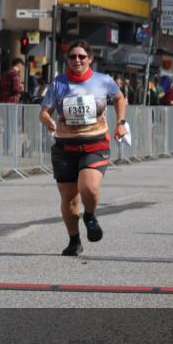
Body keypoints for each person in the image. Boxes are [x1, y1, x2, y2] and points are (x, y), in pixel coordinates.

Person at [39, 40, 127, 257]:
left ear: (90, 59)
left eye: (82, 56)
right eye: (72, 57)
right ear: (67, 59)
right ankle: (74, 241)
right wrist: (47, 120)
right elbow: (44, 111)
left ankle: (89, 215)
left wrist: (120, 122)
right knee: (69, 199)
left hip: (94, 143)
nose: (77, 60)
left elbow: (119, 98)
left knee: (89, 188)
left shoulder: (103, 81)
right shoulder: (58, 84)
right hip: (65, 146)